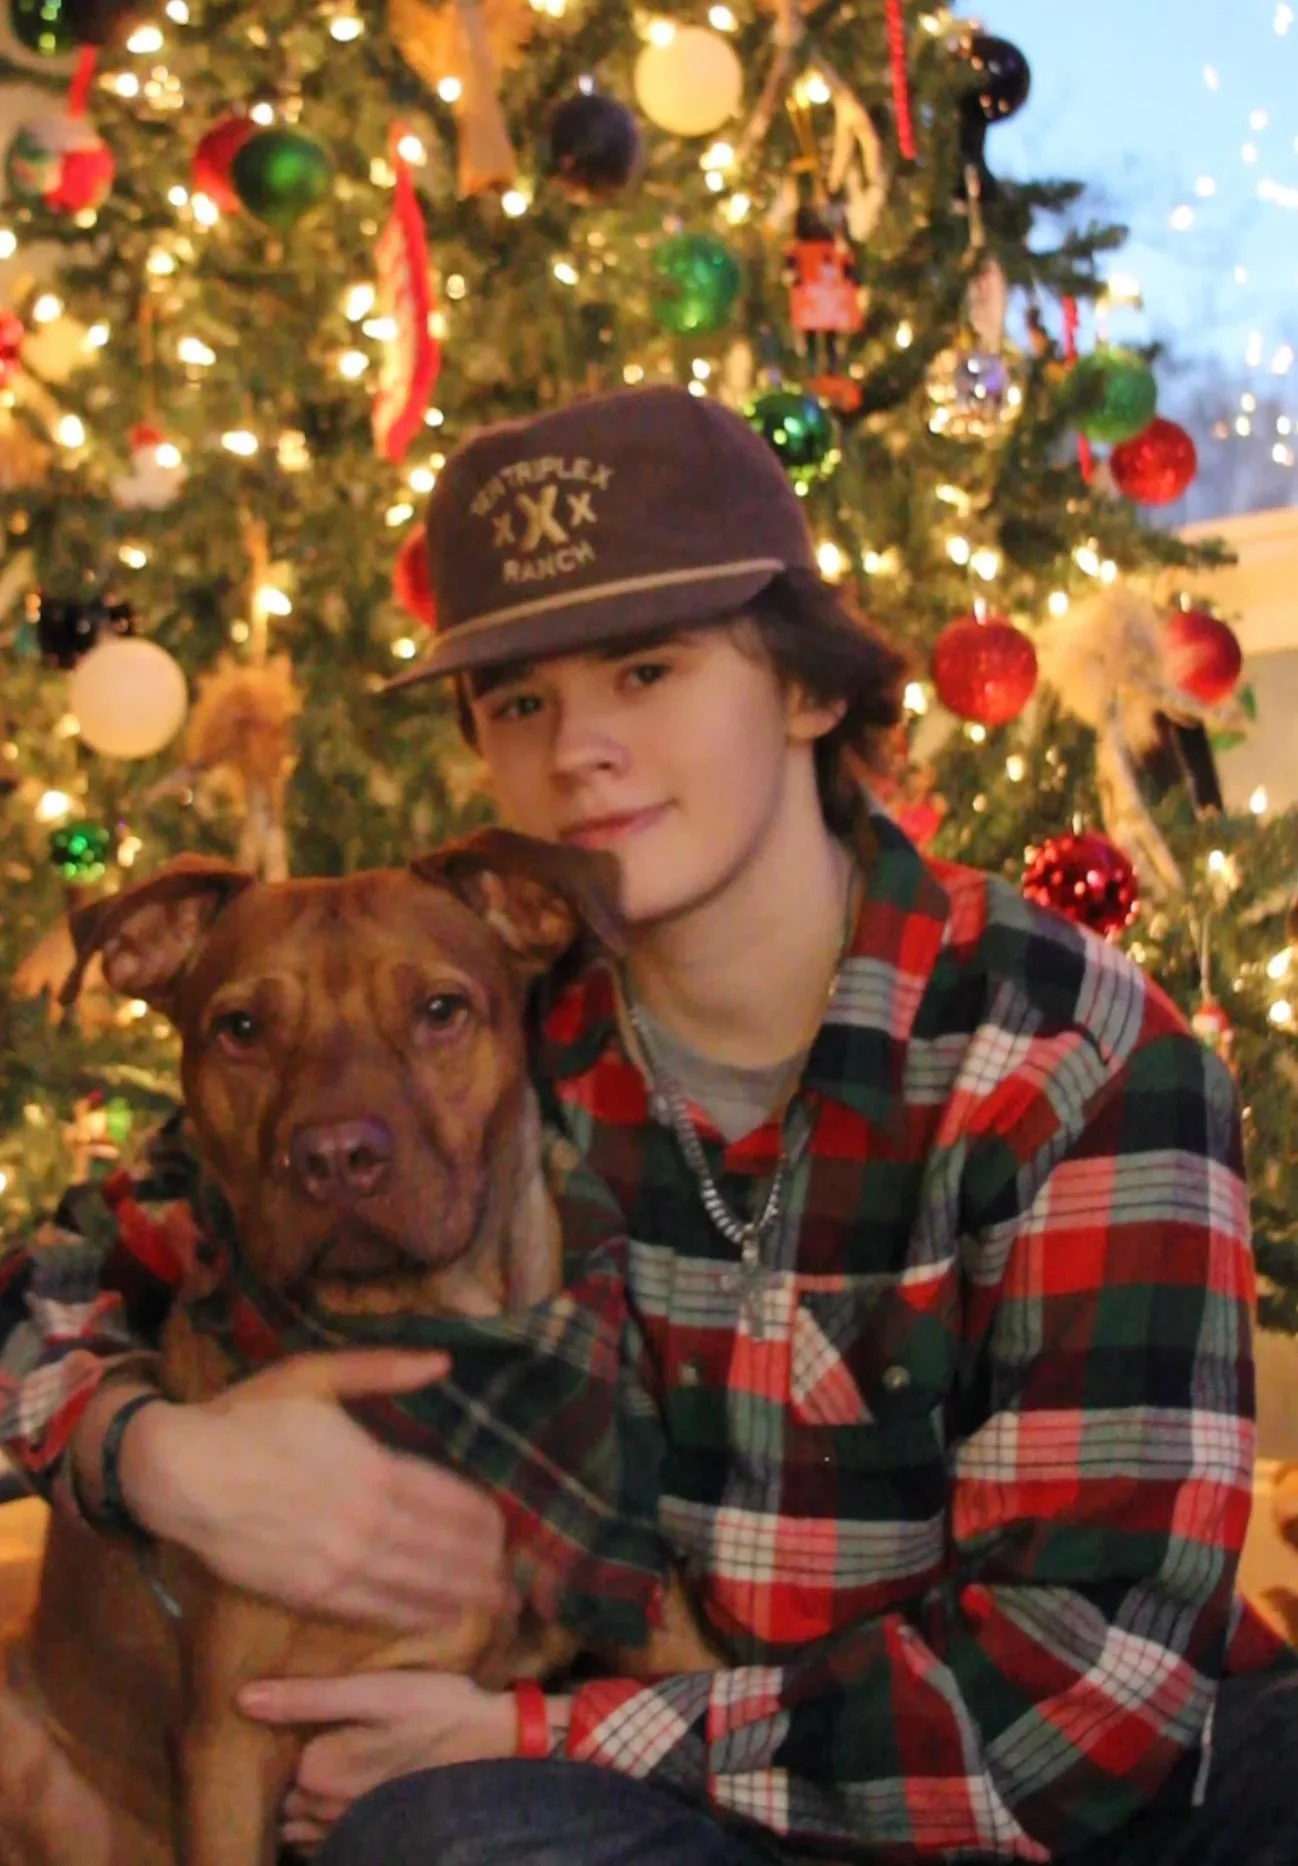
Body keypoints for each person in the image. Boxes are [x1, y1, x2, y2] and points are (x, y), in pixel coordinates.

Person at [1, 384, 1295, 1866]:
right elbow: (54, 1278)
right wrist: (152, 1459)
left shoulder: (1067, 1056)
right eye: (520, 701)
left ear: (807, 690)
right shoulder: (480, 1034)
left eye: (646, 669)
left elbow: (1072, 1722)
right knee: (445, 1837)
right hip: (691, 1806)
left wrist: (533, 1732)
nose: (579, 751)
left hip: (1062, 1808)